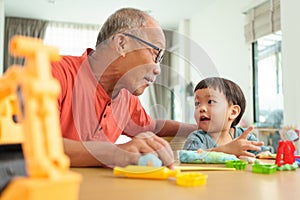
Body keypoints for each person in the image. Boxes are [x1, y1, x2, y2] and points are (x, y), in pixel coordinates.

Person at [51, 8, 196, 168]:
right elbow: (31, 144)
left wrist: (207, 129)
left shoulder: (127, 98)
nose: (158, 69)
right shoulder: (54, 72)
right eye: (155, 53)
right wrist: (116, 153)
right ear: (122, 44)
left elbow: (155, 127)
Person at [183, 77, 269, 157]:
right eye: (197, 103)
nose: (201, 108)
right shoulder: (197, 138)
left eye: (211, 101)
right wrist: (226, 150)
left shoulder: (244, 136)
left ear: (233, 112)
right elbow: (189, 157)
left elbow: (264, 155)